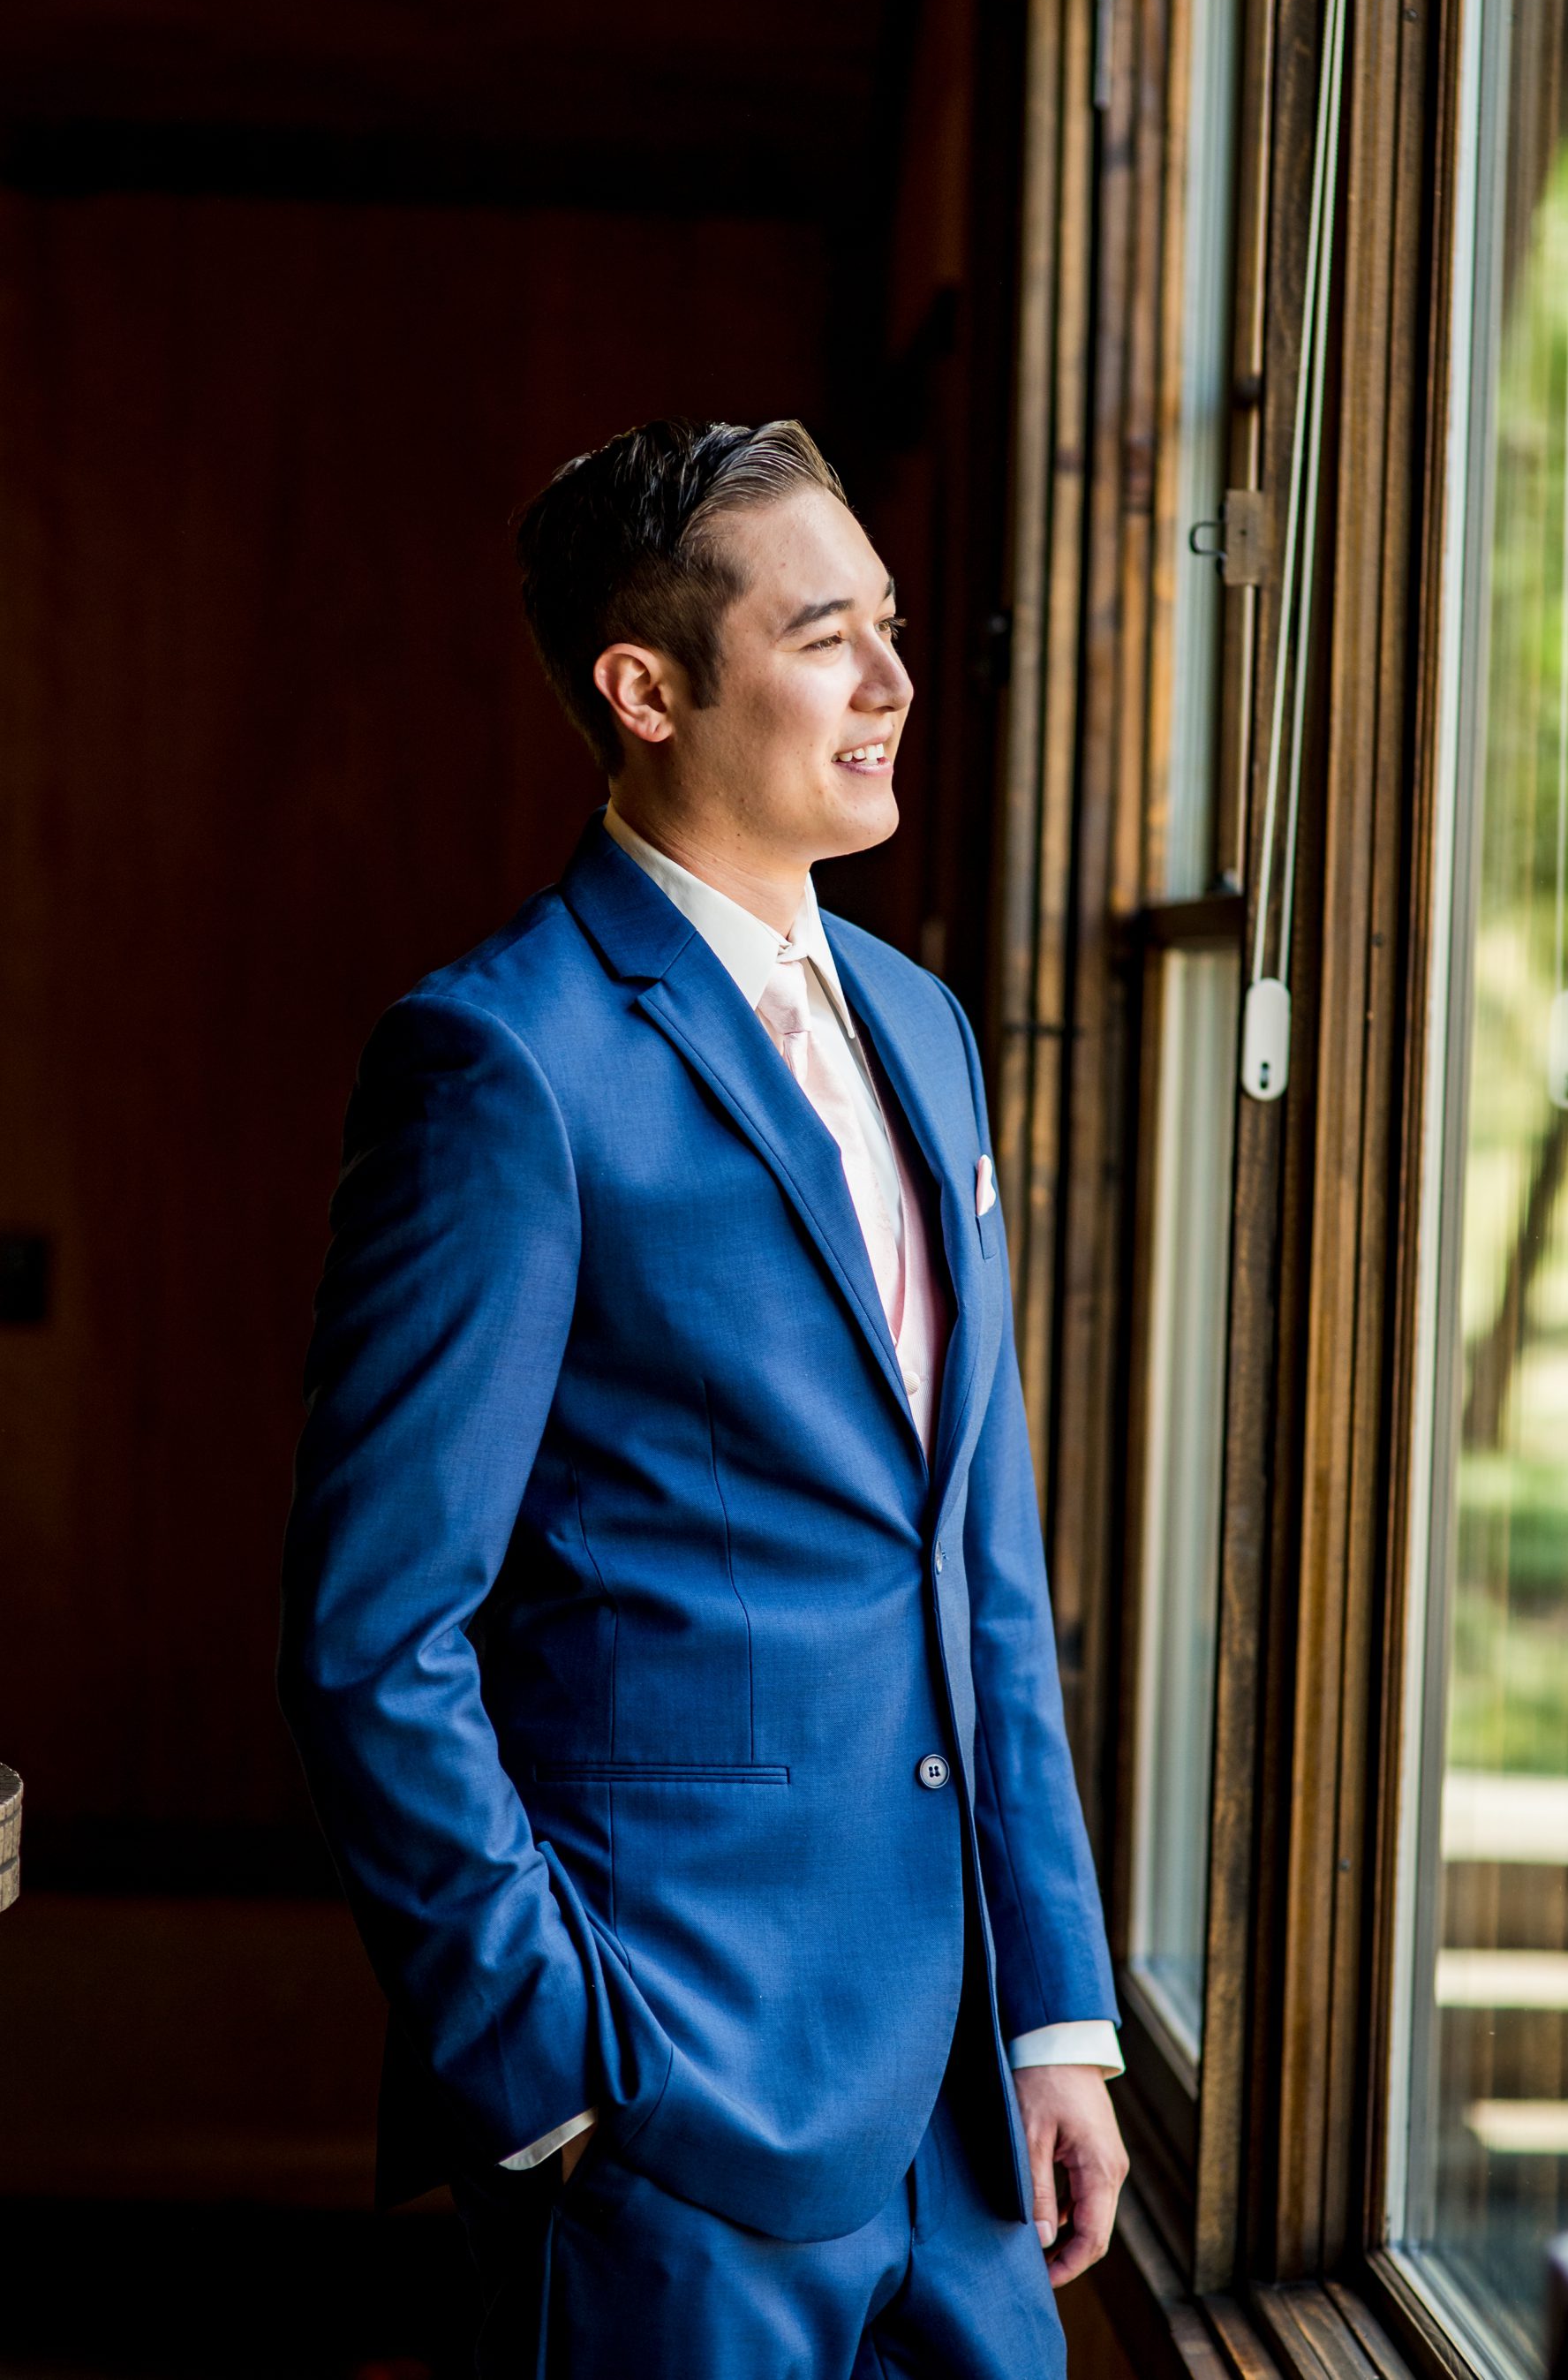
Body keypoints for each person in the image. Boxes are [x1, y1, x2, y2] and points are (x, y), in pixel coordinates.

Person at [279, 415, 1127, 2380]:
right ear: (644, 688)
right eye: (829, 635)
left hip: (965, 2123)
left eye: (894, 628)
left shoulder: (921, 1026)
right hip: (671, 2101)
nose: (895, 683)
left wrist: (1058, 2013)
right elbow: (369, 1630)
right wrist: (555, 2071)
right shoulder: (502, 1061)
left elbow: (973, 1555)